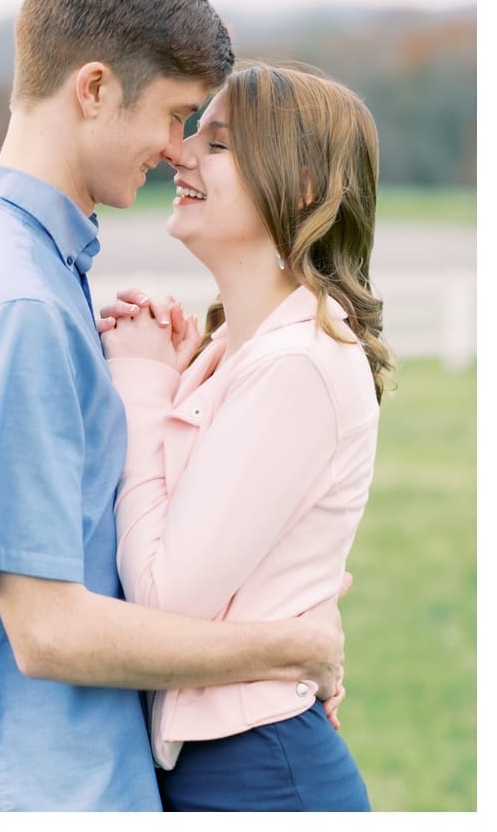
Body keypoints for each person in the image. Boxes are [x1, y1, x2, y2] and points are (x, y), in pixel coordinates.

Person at [0, 0, 348, 811]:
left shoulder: (2, 252)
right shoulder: (20, 305)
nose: (176, 148)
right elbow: (48, 630)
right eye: (173, 115)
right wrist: (285, 647)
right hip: (36, 790)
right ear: (92, 89)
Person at [96, 64, 388, 810]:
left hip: (258, 774)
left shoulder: (300, 363)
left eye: (217, 143)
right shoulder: (239, 352)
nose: (180, 153)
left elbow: (165, 602)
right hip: (224, 764)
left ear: (300, 188)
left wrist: (141, 389)